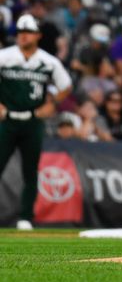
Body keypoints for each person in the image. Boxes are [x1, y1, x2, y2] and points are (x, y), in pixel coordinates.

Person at [0, 14, 72, 230]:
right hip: (7, 120)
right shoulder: (5, 56)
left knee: (31, 171)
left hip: (33, 121)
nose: (23, 36)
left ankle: (25, 217)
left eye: (28, 32)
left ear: (38, 35)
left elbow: (66, 85)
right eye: (20, 32)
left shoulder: (48, 61)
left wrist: (52, 104)